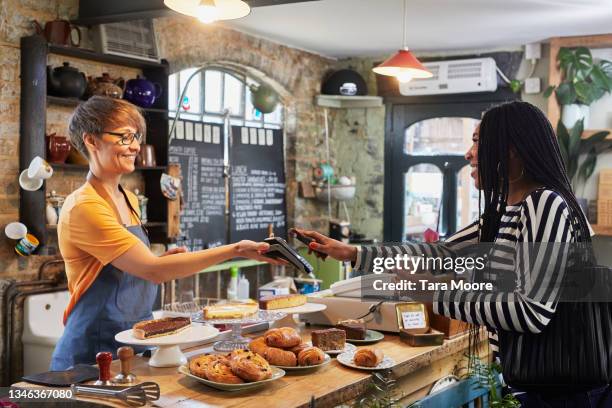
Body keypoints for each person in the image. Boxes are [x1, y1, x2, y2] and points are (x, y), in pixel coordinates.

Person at [295, 101, 612, 407]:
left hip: (570, 395)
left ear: (512, 149)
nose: (468, 153)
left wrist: (433, 293)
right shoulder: (503, 214)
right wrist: (352, 253)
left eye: (477, 141)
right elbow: (439, 252)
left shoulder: (546, 205)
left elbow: (531, 311)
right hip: (537, 388)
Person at [50, 96, 283, 370]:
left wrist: (163, 261)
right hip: (92, 353)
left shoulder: (129, 198)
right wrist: (236, 250)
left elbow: (137, 266)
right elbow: (152, 270)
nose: (135, 146)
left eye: (136, 137)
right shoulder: (85, 206)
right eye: (125, 137)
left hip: (137, 341)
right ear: (91, 141)